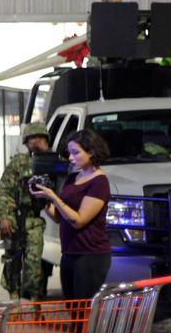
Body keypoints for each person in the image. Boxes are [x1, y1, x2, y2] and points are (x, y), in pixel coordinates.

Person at [32, 128, 112, 300]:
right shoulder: (72, 178)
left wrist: (53, 197)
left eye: (75, 152)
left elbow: (79, 220)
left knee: (84, 309)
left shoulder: (99, 182)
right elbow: (59, 217)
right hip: (69, 253)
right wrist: (42, 199)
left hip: (90, 255)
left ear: (91, 152)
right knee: (72, 307)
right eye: (69, 153)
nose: (70, 158)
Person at [0, 122, 52, 301]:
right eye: (31, 138)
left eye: (40, 137)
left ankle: (35, 299)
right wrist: (5, 216)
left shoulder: (53, 162)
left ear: (47, 141)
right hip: (14, 217)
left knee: (34, 263)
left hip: (34, 221)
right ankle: (13, 298)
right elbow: (2, 191)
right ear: (26, 142)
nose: (36, 141)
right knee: (12, 261)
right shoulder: (19, 162)